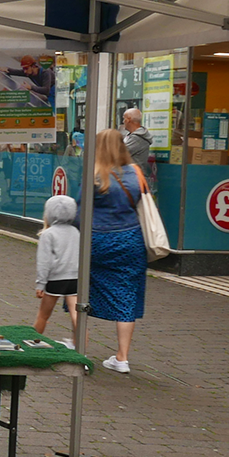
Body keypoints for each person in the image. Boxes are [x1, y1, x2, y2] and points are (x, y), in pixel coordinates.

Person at [80, 128, 148, 373]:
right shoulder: (136, 173)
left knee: (81, 292)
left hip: (97, 242)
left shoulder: (95, 174)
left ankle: (80, 351)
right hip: (131, 241)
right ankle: (122, 357)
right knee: (127, 294)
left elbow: (79, 212)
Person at [33, 194, 80, 340]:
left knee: (43, 315)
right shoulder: (76, 232)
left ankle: (33, 340)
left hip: (55, 279)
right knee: (77, 314)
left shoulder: (48, 234)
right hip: (75, 277)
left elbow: (44, 262)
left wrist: (40, 284)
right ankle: (80, 346)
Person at [122, 107, 156, 187]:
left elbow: (120, 154)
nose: (123, 122)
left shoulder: (137, 138)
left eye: (124, 119)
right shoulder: (130, 135)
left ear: (129, 119)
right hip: (130, 177)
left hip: (134, 179)